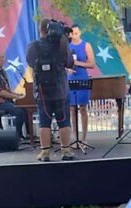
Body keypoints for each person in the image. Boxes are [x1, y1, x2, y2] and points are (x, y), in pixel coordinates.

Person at [26, 18, 75, 162]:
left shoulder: (34, 46)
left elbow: (30, 62)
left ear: (41, 29)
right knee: (64, 121)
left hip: (42, 91)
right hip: (61, 90)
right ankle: (66, 151)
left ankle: (45, 153)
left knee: (44, 122)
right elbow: (70, 63)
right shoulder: (61, 44)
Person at [0, 51, 28, 138]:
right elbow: (0, 92)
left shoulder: (3, 72)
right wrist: (16, 97)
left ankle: (28, 135)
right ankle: (16, 136)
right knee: (19, 111)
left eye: (3, 57)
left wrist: (19, 95)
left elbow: (8, 90)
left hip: (7, 101)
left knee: (26, 108)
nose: (2, 59)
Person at [68, 25, 96, 142]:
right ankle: (75, 137)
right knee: (72, 109)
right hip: (70, 77)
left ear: (80, 33)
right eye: (72, 34)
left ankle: (84, 138)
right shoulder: (67, 46)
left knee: (83, 108)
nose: (74, 36)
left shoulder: (86, 45)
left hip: (82, 77)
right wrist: (68, 67)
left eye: (76, 33)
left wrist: (77, 63)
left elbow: (91, 64)